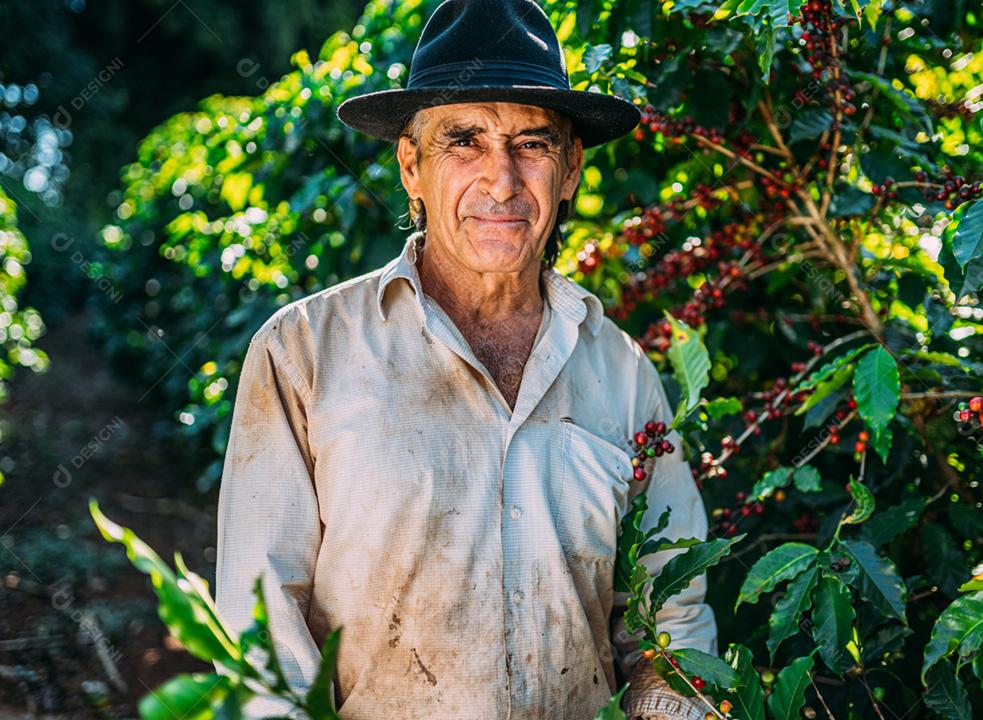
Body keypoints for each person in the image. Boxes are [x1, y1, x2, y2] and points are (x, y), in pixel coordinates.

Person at [214, 0, 717, 717]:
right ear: (412, 167)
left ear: (571, 168)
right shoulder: (302, 353)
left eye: (533, 144)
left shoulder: (623, 372)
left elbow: (672, 616)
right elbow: (263, 625)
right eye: (464, 142)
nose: (503, 181)